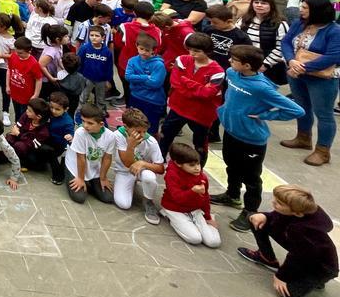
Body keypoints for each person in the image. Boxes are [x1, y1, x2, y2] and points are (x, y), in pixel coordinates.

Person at [211, 45, 305, 232]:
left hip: (251, 140)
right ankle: (232, 195)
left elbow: (296, 110)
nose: (229, 62)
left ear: (246, 65)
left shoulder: (262, 87)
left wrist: (265, 116)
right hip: (231, 131)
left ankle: (250, 210)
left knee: (252, 178)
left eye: (234, 59)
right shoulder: (232, 73)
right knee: (231, 165)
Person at [239, 185, 338, 297]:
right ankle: (267, 257)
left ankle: (315, 279)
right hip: (304, 251)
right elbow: (278, 215)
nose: (273, 203)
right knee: (255, 219)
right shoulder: (302, 211)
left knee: (289, 294)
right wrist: (265, 215)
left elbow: (296, 257)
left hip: (323, 267)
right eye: (275, 199)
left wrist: (281, 276)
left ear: (297, 213)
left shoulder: (301, 230)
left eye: (279, 203)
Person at [279, 0, 340, 166]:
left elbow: (333, 56)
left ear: (317, 11)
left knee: (324, 114)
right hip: (296, 72)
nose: (301, 10)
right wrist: (291, 60)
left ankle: (323, 151)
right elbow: (286, 42)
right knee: (302, 107)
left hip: (322, 79)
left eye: (305, 8)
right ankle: (303, 138)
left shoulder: (334, 31)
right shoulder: (300, 23)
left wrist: (302, 67)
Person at [158, 32, 223, 166]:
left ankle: (198, 168)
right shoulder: (181, 60)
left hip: (201, 114)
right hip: (178, 108)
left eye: (197, 51)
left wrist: (186, 82)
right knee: (165, 135)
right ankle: (159, 160)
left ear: (208, 51)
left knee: (200, 143)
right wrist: (197, 88)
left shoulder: (218, 71)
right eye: (190, 50)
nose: (192, 53)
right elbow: (175, 82)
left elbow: (208, 94)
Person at [159, 142, 221, 249]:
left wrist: (208, 217)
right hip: (174, 208)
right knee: (195, 238)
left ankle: (194, 222)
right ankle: (169, 216)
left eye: (198, 164)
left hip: (194, 209)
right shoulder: (171, 175)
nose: (197, 168)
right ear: (178, 163)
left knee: (214, 242)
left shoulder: (202, 177)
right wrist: (192, 191)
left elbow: (205, 197)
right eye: (192, 165)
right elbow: (177, 198)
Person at [111, 108, 165, 225]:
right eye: (138, 131)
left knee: (149, 177)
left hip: (143, 171)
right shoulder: (118, 136)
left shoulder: (151, 141)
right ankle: (129, 183)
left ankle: (148, 201)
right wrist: (130, 146)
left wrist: (143, 163)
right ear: (126, 127)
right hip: (124, 171)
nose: (142, 135)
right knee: (123, 204)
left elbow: (160, 169)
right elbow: (127, 163)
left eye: (144, 131)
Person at [65, 103, 115, 204]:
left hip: (93, 166)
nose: (85, 125)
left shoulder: (110, 136)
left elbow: (107, 158)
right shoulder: (80, 133)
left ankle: (92, 181)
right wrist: (80, 178)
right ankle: (66, 169)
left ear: (101, 124)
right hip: (75, 166)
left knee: (108, 197)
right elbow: (80, 158)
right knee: (79, 197)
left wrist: (103, 177)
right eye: (83, 121)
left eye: (90, 123)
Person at [124, 32, 166, 134]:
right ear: (137, 46)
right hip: (135, 97)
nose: (143, 52)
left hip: (152, 101)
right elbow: (128, 77)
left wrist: (136, 80)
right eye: (141, 49)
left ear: (153, 50)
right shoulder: (132, 60)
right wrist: (146, 77)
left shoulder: (158, 65)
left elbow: (155, 84)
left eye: (147, 50)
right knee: (133, 124)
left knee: (150, 128)